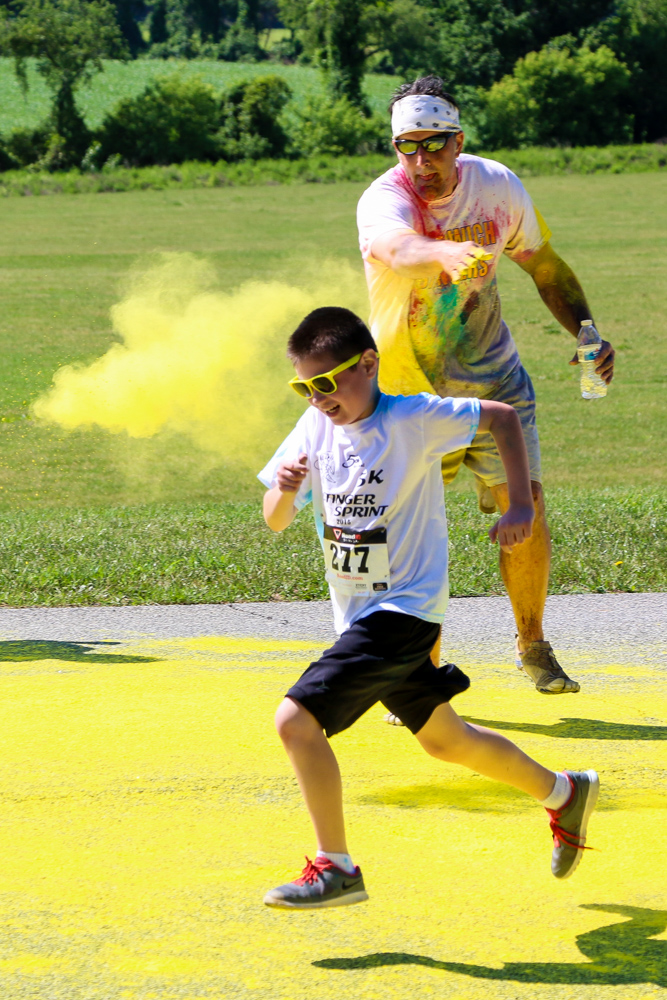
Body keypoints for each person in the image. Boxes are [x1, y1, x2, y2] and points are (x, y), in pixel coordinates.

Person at [258, 306, 599, 909]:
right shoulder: (314, 428)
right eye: (304, 387)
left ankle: (336, 868)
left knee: (295, 721)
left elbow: (502, 416)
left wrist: (521, 505)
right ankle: (564, 793)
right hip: (360, 618)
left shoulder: (413, 417)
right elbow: (276, 520)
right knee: (445, 740)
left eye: (327, 382)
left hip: (406, 611)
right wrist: (283, 490)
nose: (318, 398)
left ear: (368, 364)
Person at [356, 75, 616, 696]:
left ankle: (534, 646)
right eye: (407, 146)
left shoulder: (497, 186)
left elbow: (543, 265)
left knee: (526, 509)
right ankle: (419, 671)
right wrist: (441, 256)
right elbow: (396, 247)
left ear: (458, 139)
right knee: (412, 535)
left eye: (435, 144)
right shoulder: (383, 200)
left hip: (496, 378)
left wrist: (587, 333)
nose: (421, 160)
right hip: (407, 390)